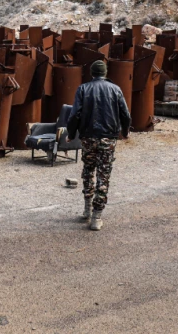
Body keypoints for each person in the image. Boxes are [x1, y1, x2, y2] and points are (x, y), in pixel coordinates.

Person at [66, 60, 131, 231]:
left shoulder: (83, 89)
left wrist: (71, 134)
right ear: (105, 73)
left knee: (88, 170)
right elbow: (125, 114)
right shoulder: (115, 89)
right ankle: (96, 217)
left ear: (92, 73)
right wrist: (125, 132)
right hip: (108, 138)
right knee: (104, 174)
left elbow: (74, 115)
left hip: (88, 137)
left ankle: (87, 208)